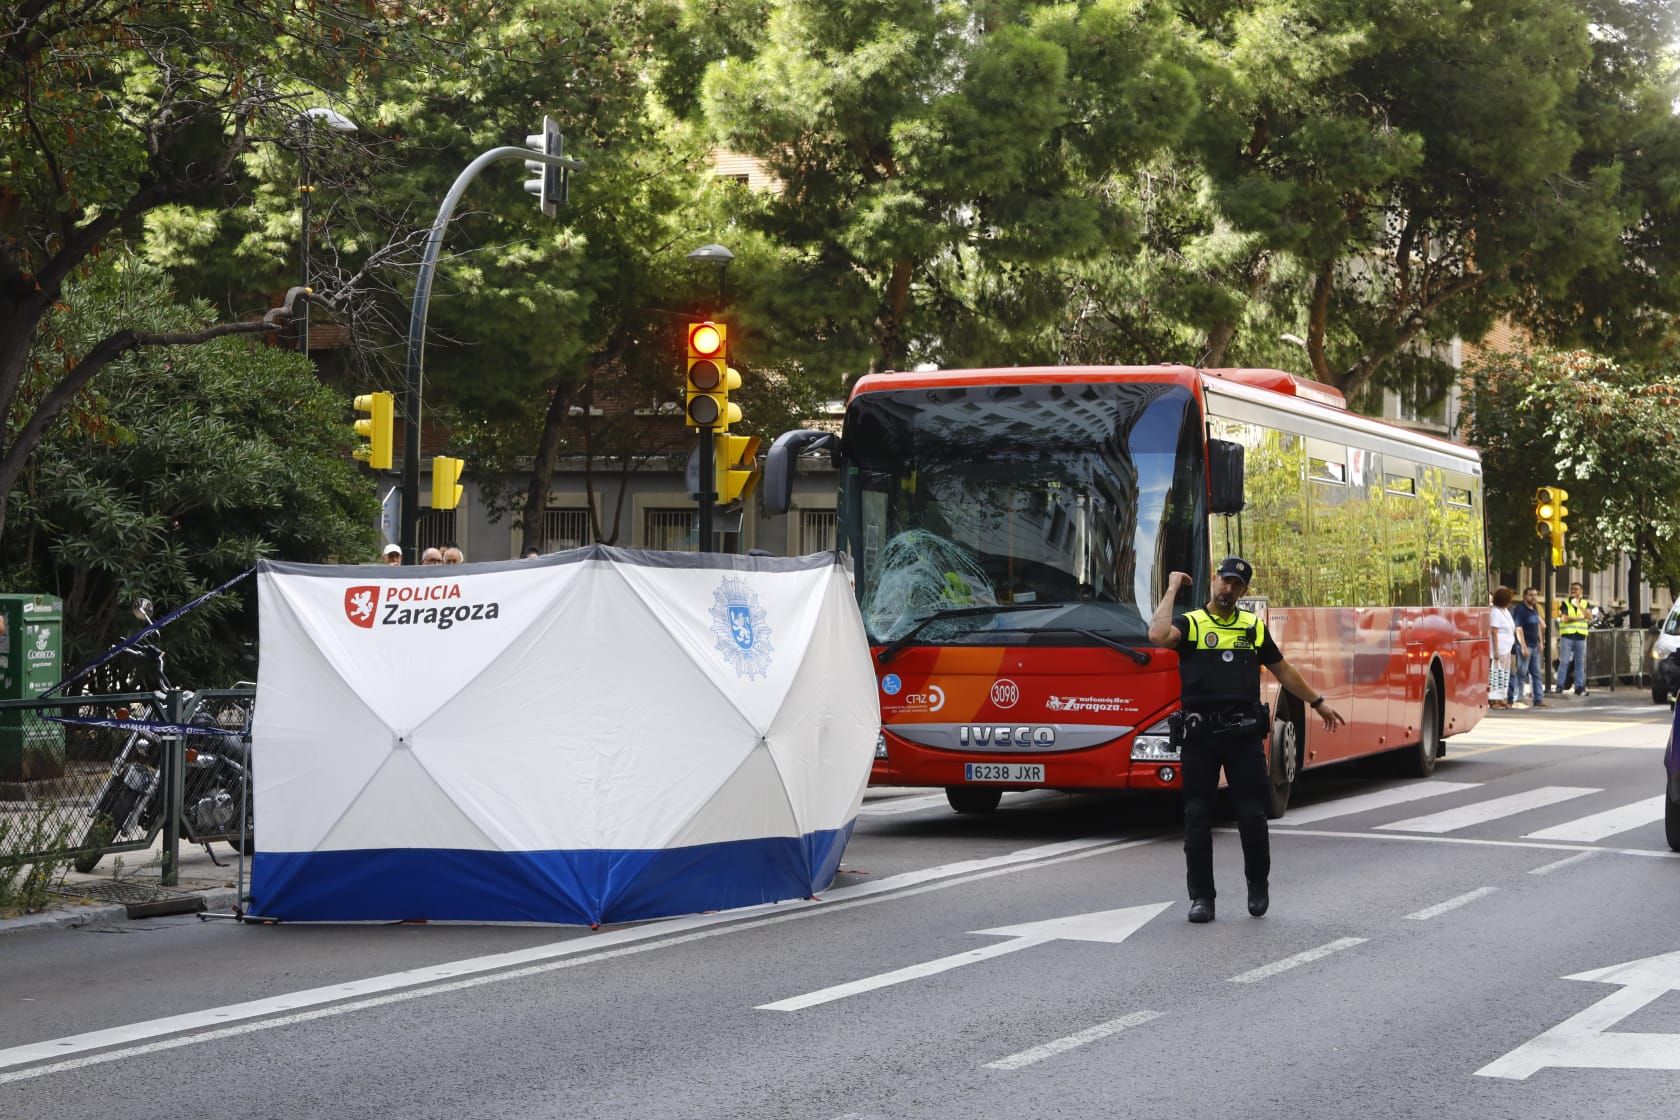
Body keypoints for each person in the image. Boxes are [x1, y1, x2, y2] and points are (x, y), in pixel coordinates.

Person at [1149, 557, 1346, 924]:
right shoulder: (1191, 624)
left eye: (1237, 585)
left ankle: (1258, 884)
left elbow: (1282, 669)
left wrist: (1317, 703)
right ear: (1214, 582)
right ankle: (1202, 898)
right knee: (1196, 817)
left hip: (1242, 737)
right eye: (1225, 581)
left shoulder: (1252, 627)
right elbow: (1158, 636)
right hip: (1200, 736)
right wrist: (1174, 587)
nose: (1229, 589)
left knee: (1252, 816)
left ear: (1244, 591)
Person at [1555, 581, 1592, 696]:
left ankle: (1579, 687)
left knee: (1580, 663)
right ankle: (1559, 686)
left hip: (1580, 636)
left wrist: (1579, 606)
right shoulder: (1565, 603)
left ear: (1581, 591)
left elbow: (1589, 617)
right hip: (1567, 636)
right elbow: (1564, 619)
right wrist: (1580, 618)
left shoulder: (1586, 604)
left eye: (1576, 589)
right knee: (1564, 662)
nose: (1573, 591)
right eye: (1572, 589)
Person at [1510, 586, 1544, 708]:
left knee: (1536, 673)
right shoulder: (1520, 610)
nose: (1533, 597)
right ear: (1525, 596)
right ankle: (1518, 698)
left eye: (1535, 595)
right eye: (1531, 595)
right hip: (1525, 646)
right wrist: (1523, 646)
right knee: (1522, 673)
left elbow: (1539, 626)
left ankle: (1538, 699)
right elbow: (1518, 628)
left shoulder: (1534, 609)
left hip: (1534, 646)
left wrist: (1541, 642)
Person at [1489, 587, 1522, 709]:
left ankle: (1501, 697)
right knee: (1497, 673)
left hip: (1507, 648)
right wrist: (1496, 651)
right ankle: (1494, 699)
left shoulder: (1505, 611)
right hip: (1500, 648)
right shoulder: (1495, 612)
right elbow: (1494, 631)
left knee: (1504, 674)